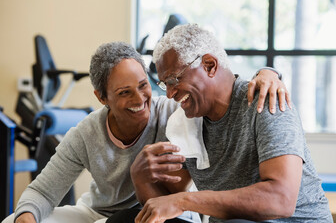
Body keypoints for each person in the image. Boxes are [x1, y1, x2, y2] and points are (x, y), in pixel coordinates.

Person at [2, 41, 287, 223]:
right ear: (102, 98)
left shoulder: (177, 112)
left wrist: (269, 72)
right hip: (97, 211)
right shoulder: (85, 134)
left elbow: (218, 82)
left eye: (143, 85)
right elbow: (42, 191)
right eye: (125, 93)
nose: (139, 100)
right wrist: (26, 218)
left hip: (167, 211)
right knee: (13, 220)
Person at [130, 24, 333, 223]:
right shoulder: (183, 124)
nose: (170, 94)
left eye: (174, 80)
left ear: (209, 65)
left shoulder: (266, 100)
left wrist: (186, 200)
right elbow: (165, 204)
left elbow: (281, 200)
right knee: (125, 219)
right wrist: (139, 176)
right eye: (165, 84)